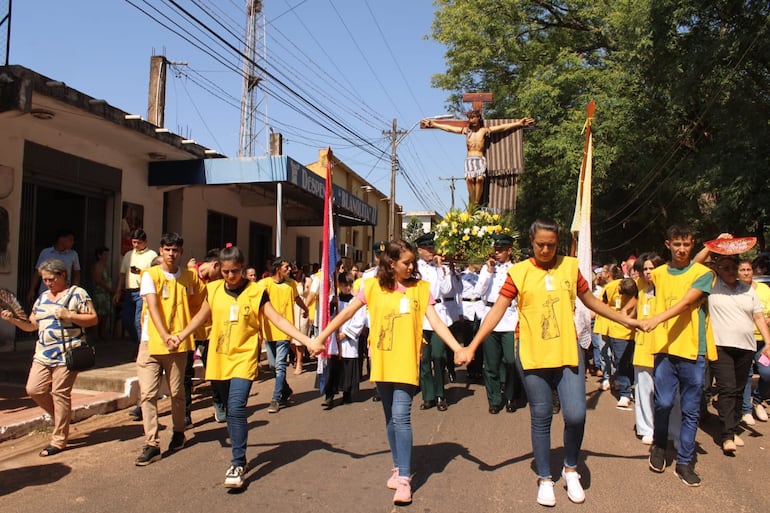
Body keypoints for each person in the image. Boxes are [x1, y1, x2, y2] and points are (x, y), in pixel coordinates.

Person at [456, 218, 639, 507]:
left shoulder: (569, 266)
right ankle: (544, 477)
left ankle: (570, 469)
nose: (545, 249)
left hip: (567, 351)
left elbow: (591, 300)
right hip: (532, 354)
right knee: (541, 416)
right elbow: (496, 312)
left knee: (576, 414)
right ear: (531, 242)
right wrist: (472, 346)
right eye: (540, 244)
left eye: (551, 245)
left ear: (558, 243)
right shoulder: (519, 272)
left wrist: (627, 320)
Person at [313, 239, 464, 506]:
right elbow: (347, 314)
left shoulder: (420, 289)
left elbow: (436, 322)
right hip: (381, 359)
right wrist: (321, 338)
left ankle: (405, 478)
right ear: (391, 263)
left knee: (401, 416)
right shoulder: (371, 286)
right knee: (389, 418)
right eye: (406, 262)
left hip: (406, 361)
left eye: (413, 262)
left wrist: (457, 348)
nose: (411, 266)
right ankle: (397, 467)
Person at [176, 245, 325, 488]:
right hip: (219, 357)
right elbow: (200, 317)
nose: (229, 276)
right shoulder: (213, 290)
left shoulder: (256, 292)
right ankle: (238, 451)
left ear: (242, 269)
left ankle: (237, 462)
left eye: (234, 271)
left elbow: (277, 318)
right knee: (227, 409)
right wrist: (181, 336)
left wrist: (307, 340)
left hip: (244, 358)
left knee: (236, 407)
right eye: (225, 271)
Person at [640, 223, 717, 487]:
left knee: (691, 409)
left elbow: (686, 302)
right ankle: (659, 444)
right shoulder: (658, 273)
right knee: (662, 403)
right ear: (668, 245)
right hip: (664, 346)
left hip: (693, 349)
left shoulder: (705, 274)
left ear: (692, 244)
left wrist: (656, 318)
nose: (682, 249)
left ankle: (684, 461)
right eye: (677, 244)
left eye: (687, 244)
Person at [2, 258, 97, 457]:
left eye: (51, 279)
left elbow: (92, 319)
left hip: (68, 352)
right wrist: (13, 320)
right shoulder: (43, 297)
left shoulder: (77, 294)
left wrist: (68, 315)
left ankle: (59, 439)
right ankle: (61, 417)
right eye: (44, 279)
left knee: (60, 393)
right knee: (33, 389)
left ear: (63, 275)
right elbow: (31, 325)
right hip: (43, 353)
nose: (48, 283)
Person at [134, 232, 206, 466]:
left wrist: (184, 334)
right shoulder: (150, 276)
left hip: (178, 344)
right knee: (147, 394)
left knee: (177, 393)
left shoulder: (189, 278)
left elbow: (200, 305)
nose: (171, 253)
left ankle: (178, 431)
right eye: (167, 249)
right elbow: (153, 307)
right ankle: (152, 442)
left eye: (175, 249)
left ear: (181, 252)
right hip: (151, 343)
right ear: (161, 251)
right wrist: (165, 335)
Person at [705, 253, 770, 454]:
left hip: (746, 347)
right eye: (725, 268)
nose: (731, 272)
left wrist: (768, 341)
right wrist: (711, 247)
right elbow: (697, 266)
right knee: (726, 388)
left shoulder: (748, 290)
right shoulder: (713, 286)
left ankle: (731, 428)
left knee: (739, 389)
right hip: (720, 345)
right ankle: (727, 435)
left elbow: (758, 316)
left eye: (733, 268)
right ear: (718, 270)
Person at [422, 110, 535, 205]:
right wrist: (434, 124)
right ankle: (473, 203)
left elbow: (502, 128)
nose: (472, 120)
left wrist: (519, 123)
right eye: (470, 118)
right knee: (470, 179)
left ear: (478, 118)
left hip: (480, 158)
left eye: (473, 117)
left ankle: (476, 202)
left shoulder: (484, 130)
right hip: (470, 158)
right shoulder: (466, 131)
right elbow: (449, 128)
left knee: (480, 179)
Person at [473, 233, 521, 413]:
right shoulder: (487, 269)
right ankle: (494, 399)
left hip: (510, 318)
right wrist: (489, 272)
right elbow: (479, 291)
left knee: (510, 360)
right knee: (491, 364)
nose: (498, 252)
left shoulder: (517, 268)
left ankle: (510, 396)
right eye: (496, 249)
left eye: (501, 249)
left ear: (509, 250)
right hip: (490, 317)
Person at [114, 229, 158, 421]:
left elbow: (155, 273)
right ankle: (137, 344)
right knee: (126, 320)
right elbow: (123, 274)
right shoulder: (128, 255)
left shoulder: (152, 255)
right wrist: (118, 291)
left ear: (145, 241)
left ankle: (142, 347)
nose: (135, 245)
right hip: (129, 291)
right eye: (133, 242)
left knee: (138, 323)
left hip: (143, 290)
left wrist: (141, 273)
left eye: (138, 242)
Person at [414, 232, 457, 411]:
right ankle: (428, 396)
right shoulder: (414, 268)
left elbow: (447, 290)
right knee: (424, 359)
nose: (431, 251)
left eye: (432, 247)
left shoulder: (441, 267)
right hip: (421, 316)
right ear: (420, 250)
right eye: (428, 248)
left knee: (438, 356)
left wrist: (441, 269)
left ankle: (440, 394)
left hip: (438, 314)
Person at [259, 259, 308, 413]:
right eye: (286, 267)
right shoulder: (264, 284)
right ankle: (285, 390)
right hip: (268, 331)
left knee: (280, 366)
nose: (289, 269)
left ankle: (276, 399)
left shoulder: (291, 284)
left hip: (285, 331)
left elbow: (297, 298)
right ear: (278, 269)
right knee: (274, 366)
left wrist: (305, 309)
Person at [184, 248, 223, 425]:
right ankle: (185, 413)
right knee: (186, 373)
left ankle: (219, 404)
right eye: (221, 270)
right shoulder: (190, 276)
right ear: (215, 264)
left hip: (209, 332)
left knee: (214, 371)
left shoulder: (216, 283)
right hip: (189, 333)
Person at [632, 253, 666, 444]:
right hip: (643, 346)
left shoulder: (668, 290)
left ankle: (666, 429)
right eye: (645, 269)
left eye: (651, 268)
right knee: (644, 388)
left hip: (664, 346)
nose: (647, 272)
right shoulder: (642, 289)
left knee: (666, 393)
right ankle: (646, 428)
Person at [594, 277, 638, 410]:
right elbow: (602, 305)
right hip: (616, 329)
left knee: (630, 362)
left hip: (635, 328)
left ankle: (626, 385)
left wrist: (629, 316)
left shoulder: (638, 287)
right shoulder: (610, 288)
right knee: (619, 360)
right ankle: (625, 392)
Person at [737, 258, 770, 424]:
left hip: (762, 341)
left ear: (753, 271)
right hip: (743, 340)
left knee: (767, 373)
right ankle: (746, 410)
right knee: (746, 375)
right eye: (742, 270)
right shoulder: (736, 291)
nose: (745, 273)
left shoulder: (764, 289)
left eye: (748, 269)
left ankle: (757, 401)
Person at [321, 271, 360, 408]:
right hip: (333, 339)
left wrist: (346, 334)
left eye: (350, 284)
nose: (347, 288)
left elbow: (359, 320)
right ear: (339, 285)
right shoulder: (334, 300)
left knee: (347, 367)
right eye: (344, 285)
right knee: (333, 368)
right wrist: (331, 305)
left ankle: (347, 393)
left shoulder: (356, 301)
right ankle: (329, 395)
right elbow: (327, 316)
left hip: (348, 339)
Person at [28, 230, 81, 302]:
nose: (72, 242)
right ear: (61, 239)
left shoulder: (73, 255)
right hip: (45, 291)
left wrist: (73, 290)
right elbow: (37, 273)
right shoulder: (45, 252)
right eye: (70, 240)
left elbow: (76, 274)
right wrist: (32, 290)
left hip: (64, 293)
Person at [89, 246, 113, 340]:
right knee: (99, 315)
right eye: (105, 255)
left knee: (105, 314)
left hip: (106, 294)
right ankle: (96, 335)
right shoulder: (97, 266)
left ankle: (102, 334)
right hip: (100, 294)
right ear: (99, 256)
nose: (107, 257)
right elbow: (98, 280)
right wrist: (109, 289)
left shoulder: (105, 265)